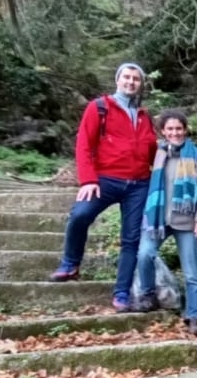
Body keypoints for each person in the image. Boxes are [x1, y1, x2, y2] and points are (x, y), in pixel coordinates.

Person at [49, 62, 157, 313]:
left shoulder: (144, 116)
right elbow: (84, 145)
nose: (131, 82)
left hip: (138, 184)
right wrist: (88, 180)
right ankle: (71, 263)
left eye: (136, 79)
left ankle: (121, 294)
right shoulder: (99, 107)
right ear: (118, 80)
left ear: (141, 84)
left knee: (131, 239)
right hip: (105, 179)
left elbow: (152, 152)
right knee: (80, 214)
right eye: (126, 77)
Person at [134, 110, 197, 334]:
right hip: (158, 219)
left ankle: (195, 316)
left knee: (191, 273)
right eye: (170, 129)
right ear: (163, 131)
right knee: (144, 254)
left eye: (179, 128)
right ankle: (148, 294)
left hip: (187, 221)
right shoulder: (158, 154)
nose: (175, 133)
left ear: (185, 130)